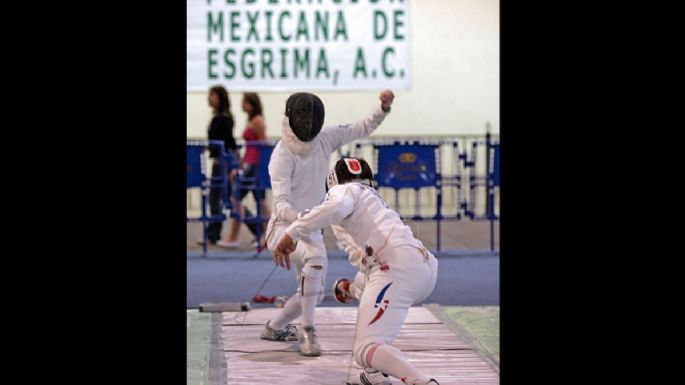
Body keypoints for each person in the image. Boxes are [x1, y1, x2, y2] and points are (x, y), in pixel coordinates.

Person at [273, 157, 439, 385]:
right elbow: (370, 268)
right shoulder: (372, 199)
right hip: (423, 266)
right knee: (373, 336)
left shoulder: (344, 191)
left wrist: (292, 233)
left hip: (396, 269)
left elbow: (337, 205)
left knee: (365, 348)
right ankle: (375, 377)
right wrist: (350, 289)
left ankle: (421, 381)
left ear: (333, 183)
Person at [259, 90, 395, 357]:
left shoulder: (324, 138)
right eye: (303, 117)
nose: (308, 123)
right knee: (315, 259)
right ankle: (307, 331)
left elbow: (362, 127)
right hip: (282, 228)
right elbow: (281, 204)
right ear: (290, 118)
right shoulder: (281, 156)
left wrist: (382, 107)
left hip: (310, 228)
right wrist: (301, 224)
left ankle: (273, 328)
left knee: (315, 292)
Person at [218, 92, 270, 249]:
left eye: (244, 102)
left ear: (251, 104)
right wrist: (239, 166)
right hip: (249, 163)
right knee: (259, 202)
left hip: (255, 164)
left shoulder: (258, 121)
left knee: (238, 199)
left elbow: (263, 144)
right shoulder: (251, 120)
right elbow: (248, 148)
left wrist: (262, 168)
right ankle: (266, 236)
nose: (241, 105)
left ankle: (234, 237)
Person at [205, 85, 237, 245]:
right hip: (220, 160)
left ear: (219, 98)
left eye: (212, 95)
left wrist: (227, 159)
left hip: (222, 162)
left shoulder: (223, 118)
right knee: (228, 197)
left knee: (220, 197)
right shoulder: (219, 117)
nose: (208, 98)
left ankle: (214, 233)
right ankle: (213, 232)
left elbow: (228, 141)